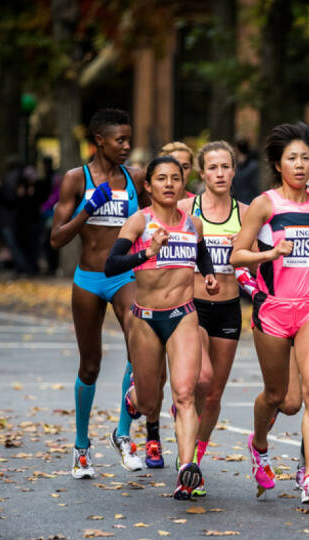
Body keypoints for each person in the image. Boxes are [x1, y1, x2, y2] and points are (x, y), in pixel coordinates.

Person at [231, 122, 309, 505]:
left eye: (306, 158)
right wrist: (269, 255)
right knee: (280, 398)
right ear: (277, 163)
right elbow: (236, 254)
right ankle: (258, 445)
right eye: (293, 159)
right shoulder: (265, 205)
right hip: (272, 310)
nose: (302, 165)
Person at [104, 155, 218, 500]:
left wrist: (209, 274)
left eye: (175, 178)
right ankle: (133, 398)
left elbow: (201, 254)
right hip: (145, 319)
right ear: (149, 187)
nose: (169, 184)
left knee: (185, 395)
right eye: (161, 179)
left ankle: (186, 471)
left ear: (183, 184)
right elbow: (112, 265)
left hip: (184, 315)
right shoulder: (139, 222)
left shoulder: (192, 223)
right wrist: (147, 253)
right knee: (150, 403)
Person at [50, 109, 147, 478]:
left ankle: (123, 434)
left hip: (125, 276)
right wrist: (87, 210)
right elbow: (57, 239)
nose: (126, 146)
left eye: (129, 139)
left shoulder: (134, 178)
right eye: (120, 140)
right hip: (89, 278)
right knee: (90, 365)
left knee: (139, 350)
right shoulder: (77, 179)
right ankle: (81, 448)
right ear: (99, 140)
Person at [175, 141, 249, 496]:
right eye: (213, 168)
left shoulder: (247, 213)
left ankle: (195, 462)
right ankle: (185, 452)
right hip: (193, 307)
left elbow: (260, 262)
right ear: (201, 173)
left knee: (215, 393)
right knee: (201, 380)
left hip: (230, 308)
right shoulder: (185, 209)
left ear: (234, 171)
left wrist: (246, 252)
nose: (220, 174)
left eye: (226, 167)